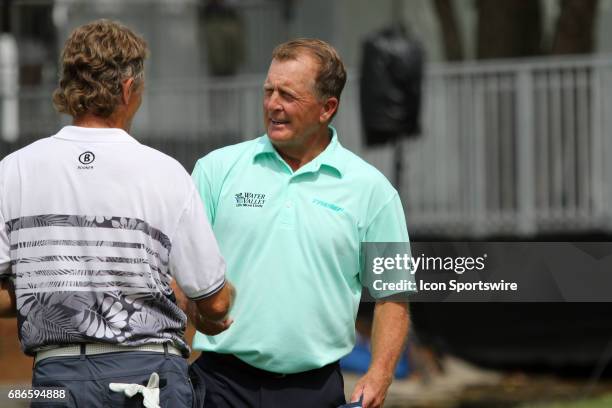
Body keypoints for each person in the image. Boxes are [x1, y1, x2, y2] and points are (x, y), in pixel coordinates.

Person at [0, 19, 234, 407]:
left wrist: (50, 289)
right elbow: (215, 302)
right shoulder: (164, 171)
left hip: (53, 380)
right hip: (149, 378)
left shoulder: (13, 171)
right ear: (128, 88)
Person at [190, 38, 410, 408]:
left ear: (327, 108)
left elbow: (393, 295)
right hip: (219, 384)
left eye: (288, 95)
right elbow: (181, 279)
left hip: (314, 390)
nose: (273, 104)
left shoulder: (373, 191)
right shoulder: (216, 170)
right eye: (269, 91)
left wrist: (380, 373)